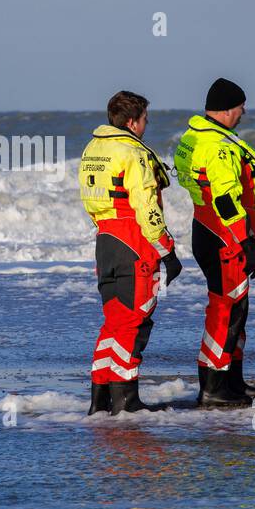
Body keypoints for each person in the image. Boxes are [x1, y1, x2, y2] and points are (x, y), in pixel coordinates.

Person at [79, 91, 182, 415]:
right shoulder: (133, 152)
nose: (146, 125)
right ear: (132, 122)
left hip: (105, 239)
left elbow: (91, 200)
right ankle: (126, 400)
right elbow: (146, 205)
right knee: (134, 322)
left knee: (113, 322)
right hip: (133, 240)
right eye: (145, 120)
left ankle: (99, 401)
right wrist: (167, 250)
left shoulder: (92, 148)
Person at [173, 78, 255, 405]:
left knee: (236, 308)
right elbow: (226, 200)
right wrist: (248, 244)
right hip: (224, 236)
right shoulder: (217, 147)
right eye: (241, 106)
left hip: (205, 229)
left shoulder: (193, 137)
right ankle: (214, 389)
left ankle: (233, 381)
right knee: (227, 309)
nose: (244, 111)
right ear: (229, 108)